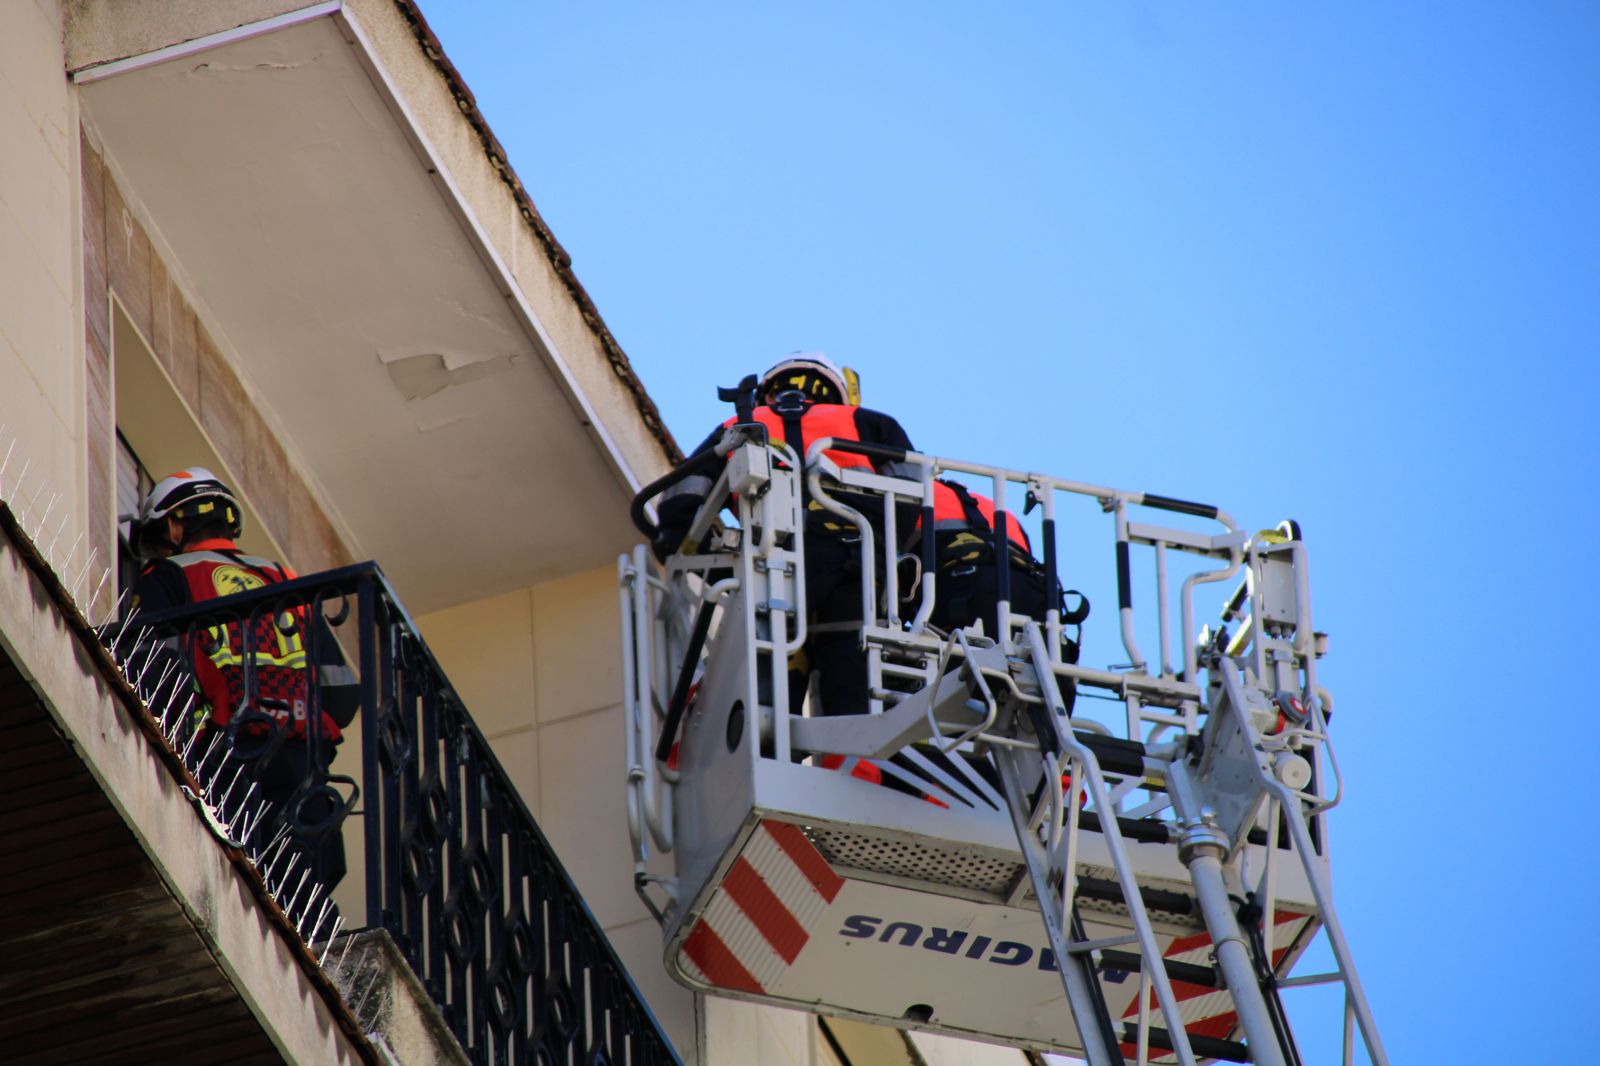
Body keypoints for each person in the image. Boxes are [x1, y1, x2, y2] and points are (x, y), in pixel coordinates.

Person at [128, 467, 356, 888]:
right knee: (302, 894)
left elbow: (149, 666)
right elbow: (340, 695)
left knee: (229, 878)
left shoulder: (168, 576)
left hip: (224, 756)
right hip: (302, 758)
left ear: (175, 525)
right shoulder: (285, 580)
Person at [655, 354, 918, 718]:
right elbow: (912, 500)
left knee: (765, 700)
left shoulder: (739, 424)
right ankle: (855, 768)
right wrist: (881, 560)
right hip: (853, 569)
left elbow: (679, 505)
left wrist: (722, 572)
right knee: (855, 695)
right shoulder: (870, 422)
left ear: (767, 392)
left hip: (770, 570)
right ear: (835, 392)